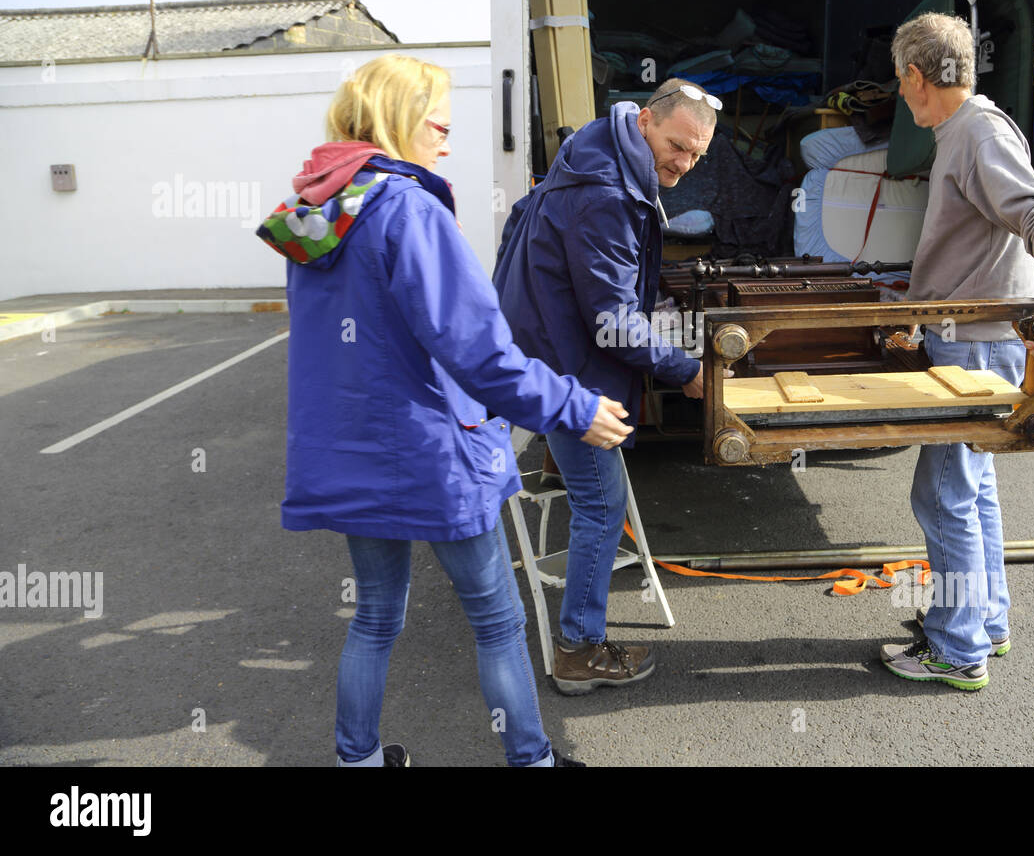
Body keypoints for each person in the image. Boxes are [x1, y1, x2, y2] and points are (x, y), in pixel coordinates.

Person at [255, 53, 633, 765]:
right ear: (399, 119)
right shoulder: (408, 209)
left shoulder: (316, 213)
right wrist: (571, 404)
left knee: (374, 615)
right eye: (439, 124)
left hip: (348, 450)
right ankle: (532, 760)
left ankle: (358, 759)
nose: (447, 141)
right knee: (496, 617)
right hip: (431, 455)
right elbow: (480, 355)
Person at [878, 13, 1034, 691]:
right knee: (974, 491)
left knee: (942, 498)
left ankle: (957, 649)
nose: (900, 93)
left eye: (898, 80)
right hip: (969, 337)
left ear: (916, 77)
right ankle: (984, 623)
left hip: (977, 345)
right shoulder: (966, 130)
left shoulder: (977, 132)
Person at [492, 78, 716, 694]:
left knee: (594, 492)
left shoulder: (592, 148)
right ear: (645, 120)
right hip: (567, 369)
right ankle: (579, 651)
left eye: (696, 155)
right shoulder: (607, 193)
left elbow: (521, 228)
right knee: (603, 506)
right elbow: (612, 322)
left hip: (540, 348)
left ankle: (560, 463)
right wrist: (685, 369)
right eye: (677, 145)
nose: (683, 163)